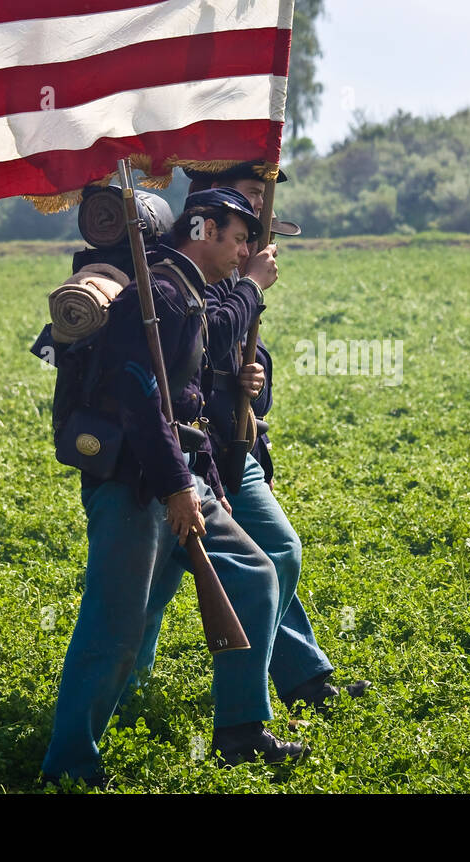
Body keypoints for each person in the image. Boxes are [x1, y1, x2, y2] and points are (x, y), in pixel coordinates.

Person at [36, 187, 305, 783]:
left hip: (184, 477)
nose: (244, 253)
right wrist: (177, 484)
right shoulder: (155, 295)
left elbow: (192, 404)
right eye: (238, 240)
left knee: (257, 574)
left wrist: (207, 483)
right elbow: (139, 400)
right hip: (137, 484)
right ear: (203, 229)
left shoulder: (190, 295)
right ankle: (69, 765)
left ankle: (239, 729)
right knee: (116, 629)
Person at [134, 162, 370, 717]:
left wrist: (253, 385)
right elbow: (207, 332)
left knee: (277, 555)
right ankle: (129, 694)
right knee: (152, 586)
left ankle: (290, 680)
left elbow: (242, 356)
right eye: (247, 199)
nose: (258, 216)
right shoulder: (185, 266)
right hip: (183, 455)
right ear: (207, 210)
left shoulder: (236, 263)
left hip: (233, 452)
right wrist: (248, 287)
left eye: (261, 204)